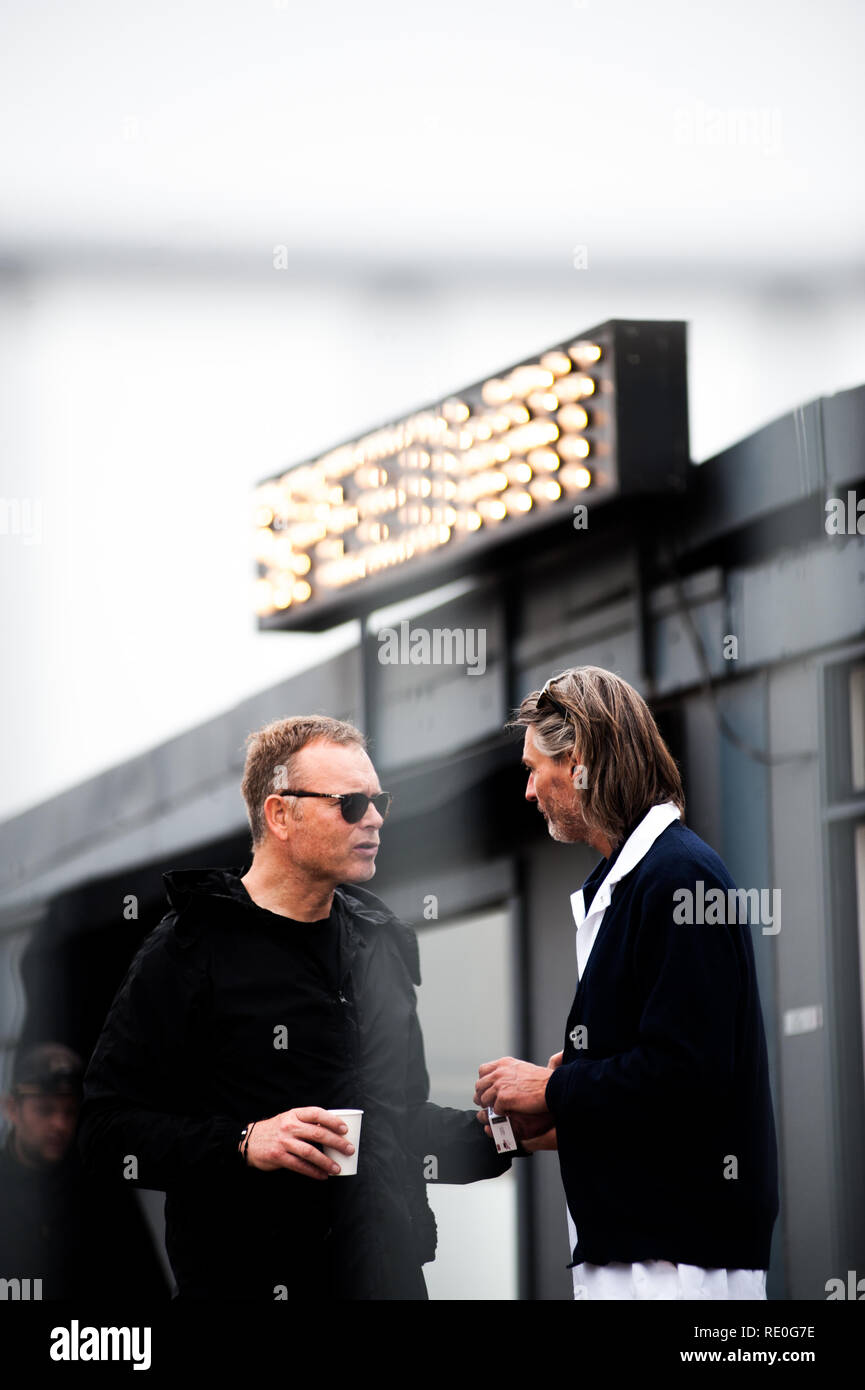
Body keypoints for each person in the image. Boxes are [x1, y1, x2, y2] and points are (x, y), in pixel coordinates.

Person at [78, 715, 516, 1301]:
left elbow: (398, 1125)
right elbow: (106, 1133)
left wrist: (509, 1133)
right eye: (352, 803)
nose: (377, 818)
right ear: (281, 814)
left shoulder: (379, 944)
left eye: (378, 799)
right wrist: (244, 1141)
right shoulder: (190, 948)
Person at [474, 666, 779, 1300]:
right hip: (645, 1247)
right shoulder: (636, 882)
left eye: (533, 768)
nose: (528, 790)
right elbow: (659, 1090)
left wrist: (555, 1085)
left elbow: (690, 1075)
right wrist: (559, 1107)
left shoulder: (678, 878)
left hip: (676, 1259)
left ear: (578, 758)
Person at [0, 1043, 168, 1299]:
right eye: (45, 1110)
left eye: (69, 1112)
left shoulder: (99, 1183)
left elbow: (139, 1277)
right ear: (12, 1108)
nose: (59, 1124)